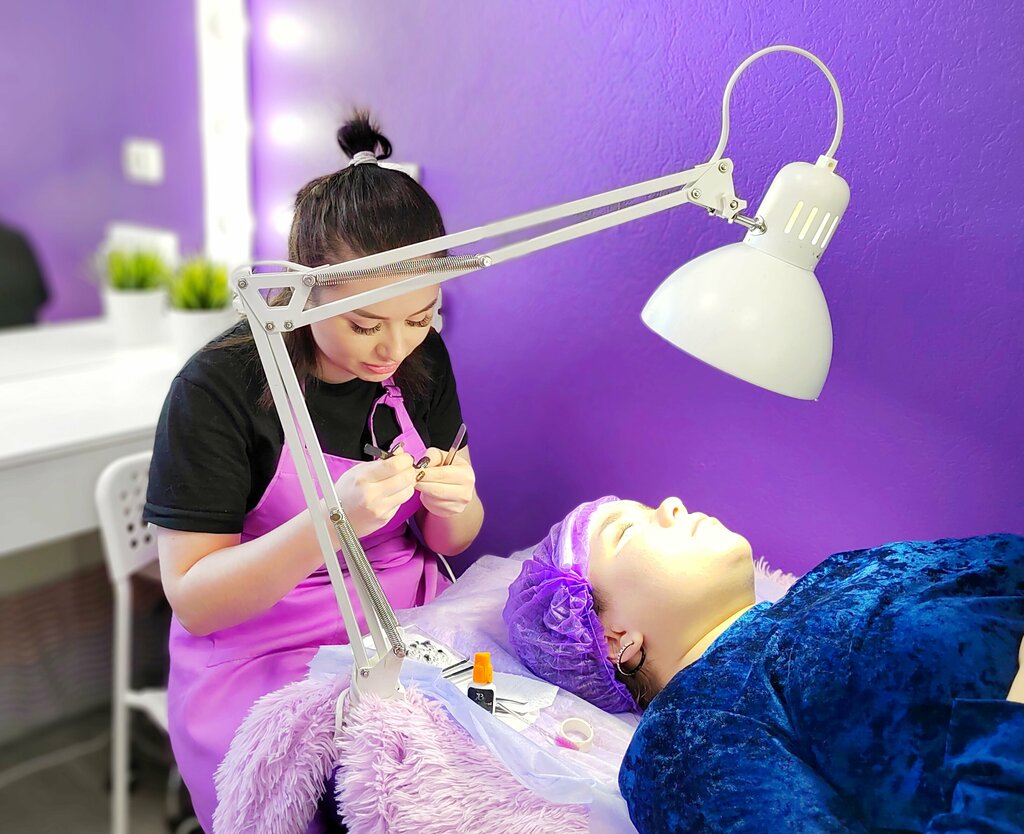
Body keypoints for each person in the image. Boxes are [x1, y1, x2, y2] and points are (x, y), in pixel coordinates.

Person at [144, 113, 484, 833]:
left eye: (421, 316)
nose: (394, 348)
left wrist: (457, 505)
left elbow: (449, 541)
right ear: (302, 292)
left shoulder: (421, 360)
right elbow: (197, 601)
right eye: (365, 324)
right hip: (260, 648)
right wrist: (329, 523)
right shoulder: (219, 388)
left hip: (406, 623)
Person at [503, 496, 1024, 833]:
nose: (671, 505)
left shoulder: (830, 575)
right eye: (625, 531)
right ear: (617, 639)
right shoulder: (682, 740)